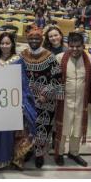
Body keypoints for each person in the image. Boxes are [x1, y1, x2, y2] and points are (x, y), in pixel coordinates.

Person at [0, 32, 36, 170]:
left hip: (14, 101)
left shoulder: (19, 60)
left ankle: (15, 159)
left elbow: (23, 81)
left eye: (7, 43)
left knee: (15, 132)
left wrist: (23, 100)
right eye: (2, 43)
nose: (5, 46)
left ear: (12, 44)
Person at [18, 25, 63, 168]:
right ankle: (28, 150)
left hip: (45, 100)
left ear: (42, 39)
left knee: (43, 128)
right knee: (28, 127)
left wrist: (46, 94)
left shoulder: (50, 57)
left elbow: (57, 78)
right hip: (27, 100)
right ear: (27, 39)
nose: (34, 40)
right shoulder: (22, 55)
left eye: (37, 38)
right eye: (31, 38)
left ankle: (39, 154)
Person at [53, 32, 91, 167]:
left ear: (83, 46)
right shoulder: (59, 58)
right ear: (68, 45)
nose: (75, 49)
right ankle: (59, 153)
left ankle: (74, 153)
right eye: (72, 46)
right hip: (64, 101)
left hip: (81, 102)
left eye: (78, 46)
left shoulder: (90, 60)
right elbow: (53, 80)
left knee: (77, 129)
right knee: (63, 129)